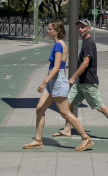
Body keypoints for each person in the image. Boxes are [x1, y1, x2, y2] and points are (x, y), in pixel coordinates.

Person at [53, 19, 108, 141]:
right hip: (81, 83)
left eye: (83, 27)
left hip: (88, 82)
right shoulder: (85, 42)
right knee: (69, 104)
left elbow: (85, 63)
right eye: (79, 27)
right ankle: (67, 129)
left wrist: (73, 77)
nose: (80, 29)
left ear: (89, 28)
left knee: (100, 107)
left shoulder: (89, 43)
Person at [23, 21, 94, 151]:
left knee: (65, 113)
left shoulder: (59, 46)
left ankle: (86, 138)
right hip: (52, 82)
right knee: (39, 108)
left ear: (57, 31)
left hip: (57, 81)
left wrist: (44, 82)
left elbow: (56, 68)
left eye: (50, 29)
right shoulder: (57, 44)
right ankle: (38, 140)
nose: (48, 31)